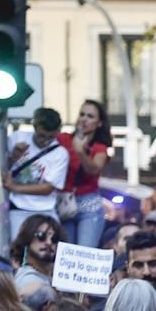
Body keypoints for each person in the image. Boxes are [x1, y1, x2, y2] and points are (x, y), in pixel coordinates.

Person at [4, 109, 71, 238]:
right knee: (17, 249)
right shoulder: (17, 138)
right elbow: (1, 168)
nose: (45, 141)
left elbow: (48, 188)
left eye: (50, 137)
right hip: (17, 208)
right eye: (41, 135)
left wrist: (14, 187)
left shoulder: (60, 154)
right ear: (34, 126)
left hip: (45, 210)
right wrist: (14, 157)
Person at [58, 100, 112, 248]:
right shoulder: (63, 139)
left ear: (99, 123)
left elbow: (93, 169)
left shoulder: (99, 147)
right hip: (65, 203)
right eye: (82, 114)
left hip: (89, 207)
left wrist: (81, 151)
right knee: (66, 254)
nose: (84, 119)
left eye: (90, 116)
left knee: (85, 253)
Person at [10, 215, 61, 300]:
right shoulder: (27, 279)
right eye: (41, 236)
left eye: (54, 238)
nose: (49, 242)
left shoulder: (54, 279)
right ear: (27, 239)